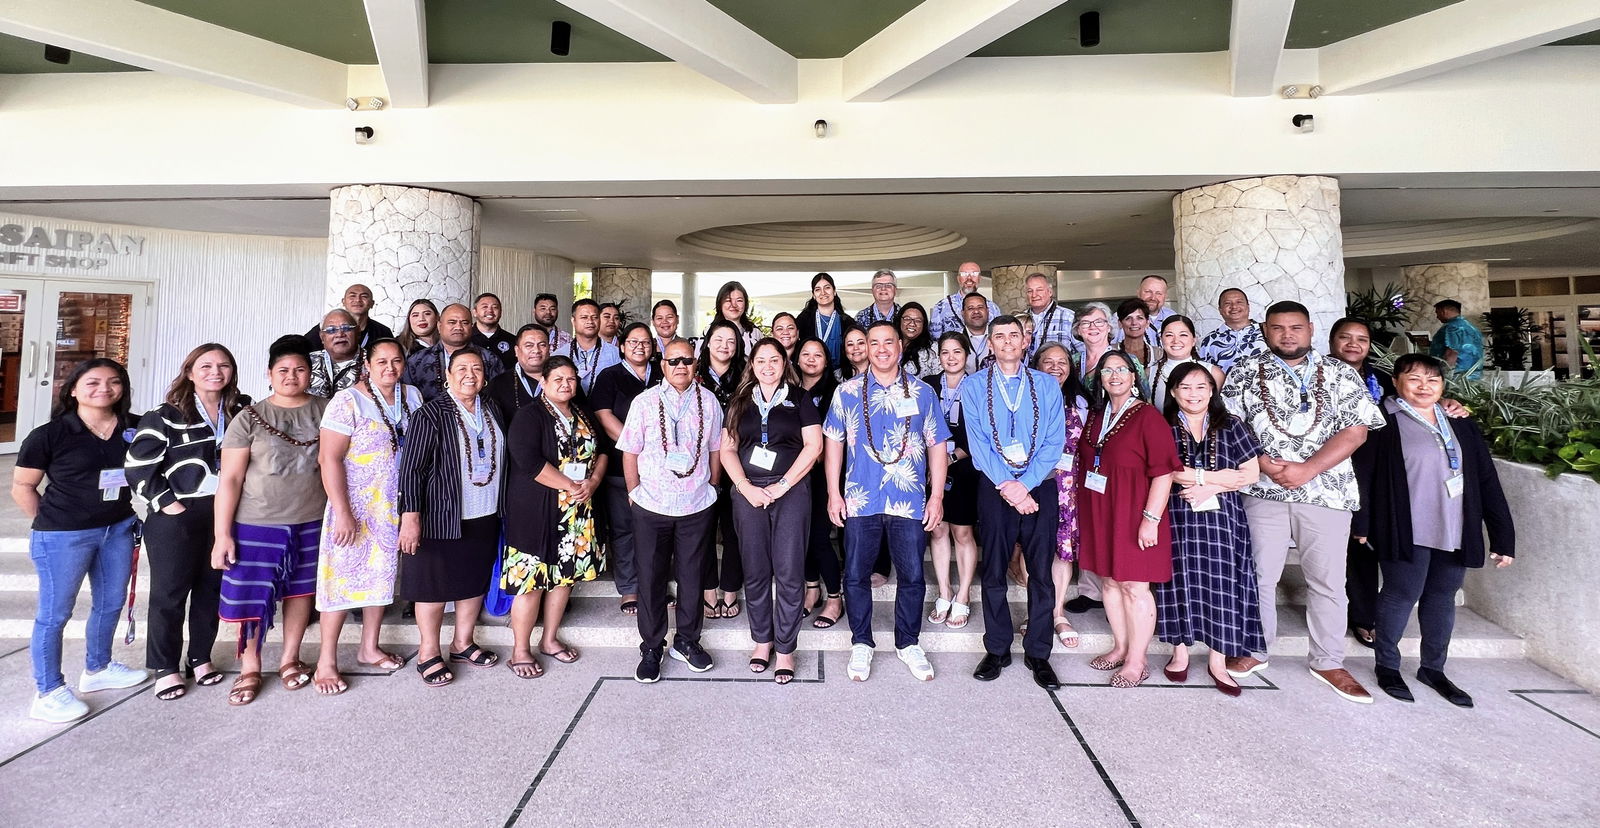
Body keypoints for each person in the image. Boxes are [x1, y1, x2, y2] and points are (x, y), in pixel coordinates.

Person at [1220, 301, 1386, 704]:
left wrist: (1308, 469)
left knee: (1327, 581)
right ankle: (1255, 648)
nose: (1287, 335)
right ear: (1265, 329)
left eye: (1296, 328)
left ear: (1311, 329)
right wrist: (1261, 462)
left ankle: (1328, 660)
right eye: (1278, 328)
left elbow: (1357, 431)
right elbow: (1230, 426)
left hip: (1326, 492)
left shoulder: (1341, 373)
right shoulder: (1244, 373)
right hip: (1263, 491)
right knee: (1258, 575)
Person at [1353, 354, 1515, 707]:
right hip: (1405, 525)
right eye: (1414, 378)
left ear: (1443, 386)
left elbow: (1485, 479)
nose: (1424, 386)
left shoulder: (1459, 421)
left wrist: (1503, 536)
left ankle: (1433, 669)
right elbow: (1363, 473)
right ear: (1395, 382)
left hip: (1455, 526)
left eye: (1432, 380)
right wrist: (1361, 523)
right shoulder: (1381, 420)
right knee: (1400, 593)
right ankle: (1388, 667)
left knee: (1442, 598)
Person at [15, 359, 145, 722]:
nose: (104, 388)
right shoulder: (50, 434)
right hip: (63, 535)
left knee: (110, 602)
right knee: (55, 614)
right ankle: (49, 690)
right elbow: (23, 487)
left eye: (113, 382)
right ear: (73, 389)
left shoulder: (134, 427)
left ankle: (98, 667)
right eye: (93, 382)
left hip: (117, 528)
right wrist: (52, 524)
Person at [824, 321, 950, 682]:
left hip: (908, 500)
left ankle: (907, 642)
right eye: (872, 342)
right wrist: (834, 492)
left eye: (887, 342)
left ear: (900, 347)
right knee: (855, 575)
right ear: (865, 347)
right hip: (860, 498)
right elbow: (833, 442)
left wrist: (937, 496)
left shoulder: (924, 392)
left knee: (912, 575)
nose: (880, 349)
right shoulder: (846, 391)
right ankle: (861, 642)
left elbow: (937, 445)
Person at [127, 344, 250, 701]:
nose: (216, 371)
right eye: (206, 365)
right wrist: (169, 505)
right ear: (190, 371)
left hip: (226, 512)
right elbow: (138, 466)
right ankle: (165, 666)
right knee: (170, 592)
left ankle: (200, 657)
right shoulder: (165, 414)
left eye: (224, 365)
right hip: (176, 515)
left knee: (211, 589)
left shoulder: (241, 409)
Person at [213, 336, 329, 706]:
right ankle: (250, 666)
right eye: (283, 370)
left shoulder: (327, 410)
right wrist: (222, 534)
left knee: (301, 593)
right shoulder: (248, 418)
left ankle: (290, 658)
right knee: (251, 596)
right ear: (269, 374)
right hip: (257, 520)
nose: (292, 376)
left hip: (312, 518)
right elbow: (229, 479)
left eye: (299, 370)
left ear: (310, 373)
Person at [962, 317, 1068, 689]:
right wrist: (1009, 487)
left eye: (1014, 335)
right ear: (989, 344)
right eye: (999, 336)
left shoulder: (1046, 385)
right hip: (994, 487)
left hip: (1039, 486)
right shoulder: (974, 386)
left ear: (1026, 341)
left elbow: (1055, 442)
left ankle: (1039, 652)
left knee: (1041, 574)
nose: (1007, 342)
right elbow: (978, 445)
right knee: (993, 572)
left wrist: (1025, 486)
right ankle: (997, 648)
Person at [312, 338, 418, 695]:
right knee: (340, 579)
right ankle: (326, 660)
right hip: (355, 505)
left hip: (393, 505)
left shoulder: (412, 396)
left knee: (381, 577)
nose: (390, 368)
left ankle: (369, 647)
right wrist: (342, 511)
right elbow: (329, 459)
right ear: (367, 364)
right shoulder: (348, 401)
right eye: (382, 361)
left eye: (397, 361)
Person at [1154, 362, 1267, 697]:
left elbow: (1250, 474)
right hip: (1178, 516)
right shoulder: (1164, 426)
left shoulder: (1232, 425)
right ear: (1173, 392)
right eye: (1185, 387)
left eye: (1201, 387)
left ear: (1212, 391)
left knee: (1223, 583)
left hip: (1224, 520)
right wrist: (1215, 479)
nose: (1194, 394)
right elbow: (1169, 471)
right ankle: (1180, 653)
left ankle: (1218, 660)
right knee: (1179, 579)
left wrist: (1209, 487)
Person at [396, 348, 506, 687]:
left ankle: (463, 642)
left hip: (485, 511)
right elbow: (411, 470)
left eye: (476, 367)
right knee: (432, 584)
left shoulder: (492, 409)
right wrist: (410, 517)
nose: (470, 374)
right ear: (447, 373)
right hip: (440, 515)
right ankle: (429, 651)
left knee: (473, 579)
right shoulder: (430, 414)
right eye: (461, 368)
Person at [618, 339, 724, 683]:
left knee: (693, 576)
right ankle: (651, 647)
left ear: (696, 365)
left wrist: (712, 487)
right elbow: (630, 450)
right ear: (662, 364)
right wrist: (634, 491)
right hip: (652, 504)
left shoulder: (709, 402)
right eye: (673, 360)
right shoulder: (645, 402)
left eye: (688, 361)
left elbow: (714, 451)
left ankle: (688, 641)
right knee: (650, 578)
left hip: (696, 504)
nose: (681, 366)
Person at [720, 338, 822, 684]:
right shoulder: (739, 401)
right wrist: (745, 488)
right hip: (748, 492)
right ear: (752, 363)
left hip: (790, 490)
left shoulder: (800, 399)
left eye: (774, 360)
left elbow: (813, 447)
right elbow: (727, 449)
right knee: (756, 569)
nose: (767, 366)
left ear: (784, 363)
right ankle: (762, 641)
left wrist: (781, 486)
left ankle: (786, 647)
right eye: (761, 360)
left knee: (790, 570)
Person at [1076, 350, 1180, 688]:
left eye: (1122, 369)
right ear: (1100, 379)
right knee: (1108, 580)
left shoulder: (1148, 416)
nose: (1115, 375)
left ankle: (1138, 660)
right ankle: (1120, 647)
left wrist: (1151, 518)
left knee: (1135, 586)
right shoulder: (1096, 416)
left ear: (1135, 376)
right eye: (1107, 371)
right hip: (1101, 511)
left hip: (1136, 510)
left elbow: (1164, 472)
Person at [502, 356, 608, 678]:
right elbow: (528, 461)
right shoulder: (529, 415)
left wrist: (592, 482)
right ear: (544, 382)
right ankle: (520, 649)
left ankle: (549, 639)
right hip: (536, 512)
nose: (566, 384)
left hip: (577, 511)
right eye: (558, 379)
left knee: (564, 578)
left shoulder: (583, 413)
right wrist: (570, 484)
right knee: (530, 583)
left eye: (571, 379)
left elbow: (602, 451)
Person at [1331, 316, 1395, 648]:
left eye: (1362, 339)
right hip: (1328, 468)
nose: (1353, 344)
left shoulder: (1384, 380)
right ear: (1331, 341)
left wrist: (1448, 403)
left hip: (1374, 471)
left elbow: (1418, 403)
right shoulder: (1316, 375)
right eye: (1346, 338)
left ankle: (1364, 615)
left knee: (1362, 542)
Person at [589, 323, 661, 615]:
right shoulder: (610, 376)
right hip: (621, 466)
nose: (639, 347)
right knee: (624, 529)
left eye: (645, 342)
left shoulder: (662, 374)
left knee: (658, 530)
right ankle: (629, 588)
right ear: (621, 345)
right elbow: (604, 416)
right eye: (633, 342)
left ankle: (654, 585)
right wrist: (639, 446)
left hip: (661, 470)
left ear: (654, 347)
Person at [1030, 342, 1087, 649]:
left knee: (1063, 548)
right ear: (1036, 365)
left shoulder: (1081, 401)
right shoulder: (1025, 397)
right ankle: (1035, 610)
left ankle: (1057, 611)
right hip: (1034, 481)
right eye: (1047, 361)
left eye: (1062, 361)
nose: (1055, 366)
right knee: (1034, 548)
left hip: (1069, 485)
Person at [924, 332, 979, 631]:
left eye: (957, 351)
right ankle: (944, 591)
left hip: (965, 467)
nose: (951, 357)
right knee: (938, 529)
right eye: (945, 352)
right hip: (932, 469)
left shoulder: (978, 386)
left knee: (963, 533)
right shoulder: (929, 385)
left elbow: (983, 431)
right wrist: (934, 462)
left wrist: (951, 458)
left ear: (967, 354)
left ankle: (964, 593)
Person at [696, 319, 746, 617]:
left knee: (733, 530)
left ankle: (729, 589)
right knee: (701, 529)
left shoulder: (745, 376)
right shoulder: (694, 372)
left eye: (731, 340)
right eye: (719, 339)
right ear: (708, 341)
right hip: (699, 463)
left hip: (738, 462)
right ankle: (708, 589)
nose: (725, 345)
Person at [795, 337, 845, 630]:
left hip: (824, 475)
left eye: (818, 355)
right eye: (806, 354)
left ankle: (835, 597)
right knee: (800, 538)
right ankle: (811, 588)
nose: (811, 359)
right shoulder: (787, 390)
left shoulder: (836, 393)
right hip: (794, 475)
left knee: (818, 538)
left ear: (827, 361)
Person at [402, 303, 502, 402]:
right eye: (452, 322)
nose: (458, 327)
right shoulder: (417, 361)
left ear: (471, 327)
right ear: (439, 326)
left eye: (464, 323)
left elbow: (499, 398)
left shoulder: (490, 359)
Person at [1147, 315, 1224, 404]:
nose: (1176, 341)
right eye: (1169, 335)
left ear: (1194, 340)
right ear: (1161, 340)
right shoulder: (1149, 373)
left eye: (1183, 335)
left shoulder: (1214, 373)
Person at [485, 323, 551, 419]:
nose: (536, 350)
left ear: (549, 349)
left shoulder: (564, 380)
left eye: (542, 345)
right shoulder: (498, 384)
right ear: (516, 350)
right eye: (529, 345)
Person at [304, 283, 395, 350]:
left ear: (372, 303)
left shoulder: (383, 332)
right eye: (352, 296)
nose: (358, 300)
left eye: (364, 296)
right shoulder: (327, 328)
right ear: (343, 302)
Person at [1197, 288, 1266, 373]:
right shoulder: (1210, 340)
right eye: (1227, 303)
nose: (1234, 306)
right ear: (1220, 310)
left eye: (1239, 302)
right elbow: (1206, 374)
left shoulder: (1266, 333)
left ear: (1248, 306)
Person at [796, 272, 858, 367]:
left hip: (840, 375)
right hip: (811, 372)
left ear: (834, 291)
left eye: (827, 287)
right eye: (818, 289)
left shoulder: (847, 322)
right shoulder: (803, 320)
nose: (823, 293)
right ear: (813, 295)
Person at [564, 298, 622, 395]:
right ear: (573, 321)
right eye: (584, 317)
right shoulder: (560, 354)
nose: (590, 321)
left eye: (594, 317)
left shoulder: (616, 354)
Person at [931, 261, 1002, 338]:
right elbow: (934, 339)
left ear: (979, 278)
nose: (969, 278)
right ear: (958, 279)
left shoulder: (992, 308)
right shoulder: (941, 307)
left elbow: (998, 336)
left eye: (974, 274)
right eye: (964, 274)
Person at [309, 309, 365, 398]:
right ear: (322, 337)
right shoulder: (308, 362)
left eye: (346, 328)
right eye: (331, 330)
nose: (339, 334)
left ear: (358, 332)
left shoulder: (373, 362)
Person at [1023, 272, 1075, 358]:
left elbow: (1083, 352)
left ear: (1050, 292)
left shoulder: (1069, 317)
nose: (1034, 295)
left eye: (1039, 290)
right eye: (1030, 291)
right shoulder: (1020, 320)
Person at [1430, 299, 1485, 379]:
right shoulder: (1471, 327)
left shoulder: (1452, 327)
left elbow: (1452, 352)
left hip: (1457, 377)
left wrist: (1442, 376)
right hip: (1473, 375)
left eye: (1437, 312)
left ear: (1443, 311)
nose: (1437, 316)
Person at [470, 292, 518, 370]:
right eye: (485, 307)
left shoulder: (513, 340)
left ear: (500, 312)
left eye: (495, 307)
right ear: (474, 312)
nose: (490, 311)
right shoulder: (465, 338)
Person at [710, 280, 761, 352]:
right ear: (720, 304)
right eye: (728, 300)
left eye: (739, 300)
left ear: (745, 304)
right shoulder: (709, 331)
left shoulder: (755, 333)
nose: (734, 305)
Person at [898, 302, 938, 377]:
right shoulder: (889, 345)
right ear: (900, 320)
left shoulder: (933, 348)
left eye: (918, 320)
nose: (912, 324)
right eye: (907, 319)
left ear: (924, 324)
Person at [1115, 298, 1157, 368]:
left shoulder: (1158, 354)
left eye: (1139, 318)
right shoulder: (1110, 351)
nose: (1134, 323)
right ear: (1120, 323)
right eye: (1128, 318)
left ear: (1147, 323)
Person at [961, 292, 994, 372]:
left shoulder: (998, 338)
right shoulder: (956, 340)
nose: (976, 311)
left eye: (980, 307)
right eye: (970, 308)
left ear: (987, 311)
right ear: (962, 313)